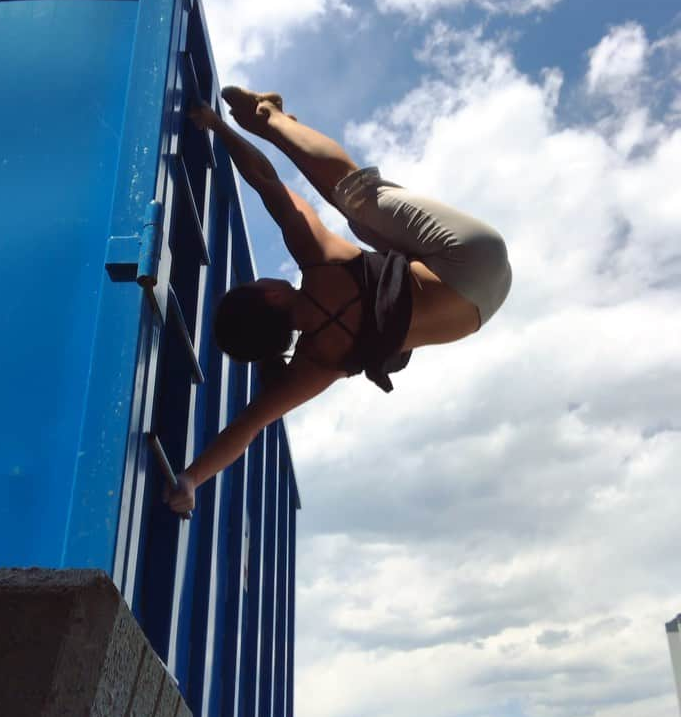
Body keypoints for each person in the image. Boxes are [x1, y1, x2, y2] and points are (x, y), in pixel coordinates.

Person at [164, 87, 511, 516]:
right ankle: (271, 116)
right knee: (355, 197)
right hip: (471, 256)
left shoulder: (316, 364)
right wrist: (219, 127)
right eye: (251, 284)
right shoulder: (321, 262)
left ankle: (273, 119)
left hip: (482, 309)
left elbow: (247, 426)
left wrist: (191, 478)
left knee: (371, 237)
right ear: (270, 295)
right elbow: (264, 179)